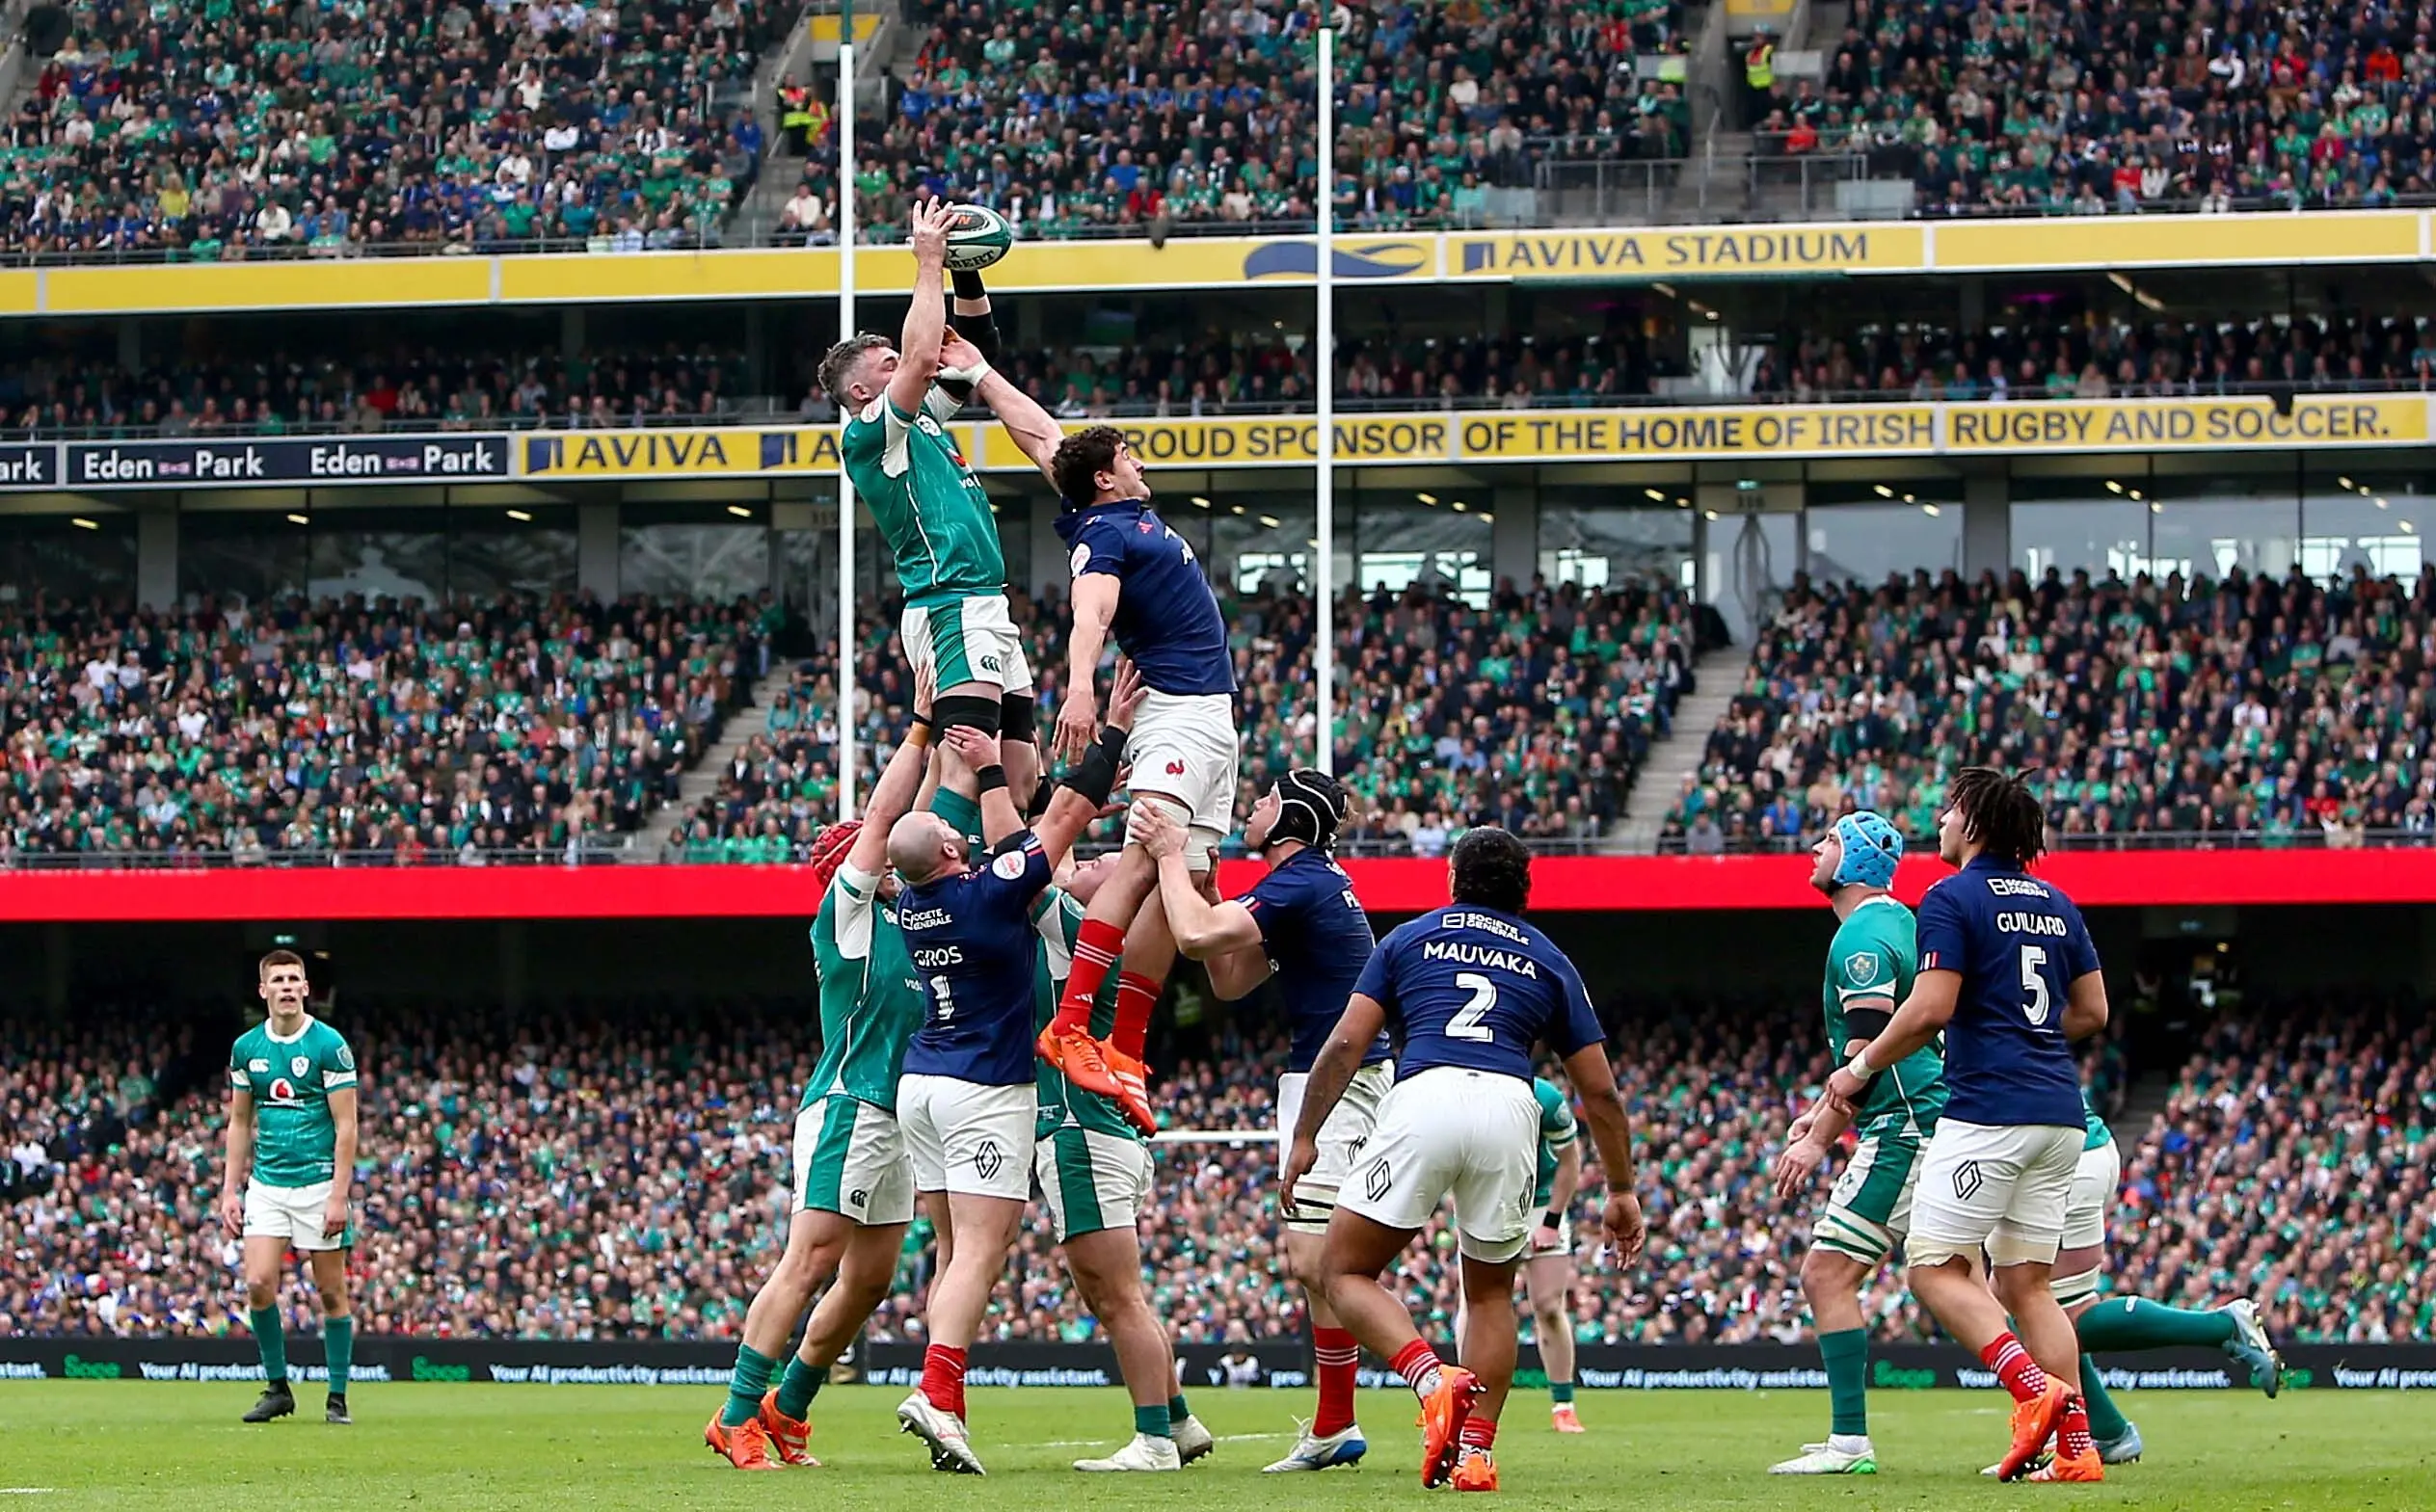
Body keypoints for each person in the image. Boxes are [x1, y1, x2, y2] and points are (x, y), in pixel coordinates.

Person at [1283, 827, 1646, 1492]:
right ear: (1524, 891)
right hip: (1510, 1105)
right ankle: (1475, 1453)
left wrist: (1306, 1135)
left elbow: (1345, 1044)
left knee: (1341, 1269)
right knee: (1490, 1293)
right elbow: (1600, 1091)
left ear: (1452, 879)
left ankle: (1431, 1379)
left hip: (1425, 1094)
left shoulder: (1409, 938)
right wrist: (1621, 1189)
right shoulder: (1549, 957)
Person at [1814, 768, 2110, 1482]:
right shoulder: (2057, 902)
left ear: (1974, 824)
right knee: (2028, 1286)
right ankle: (2077, 1450)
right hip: (2060, 1114)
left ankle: (2035, 1391)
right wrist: (2027, 1034)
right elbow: (2092, 1012)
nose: (1940, 822)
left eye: (1949, 811)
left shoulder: (1951, 897)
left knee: (1932, 1267)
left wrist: (1857, 1069)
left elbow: (1928, 1010)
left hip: (1988, 1112)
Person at [886, 666, 1142, 1474]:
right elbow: (1057, 822)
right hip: (983, 1086)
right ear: (951, 850)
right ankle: (938, 1393)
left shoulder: (911, 901)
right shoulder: (988, 894)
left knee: (952, 1249)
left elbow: (1003, 832)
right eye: (950, 828)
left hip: (921, 1082)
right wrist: (1108, 735)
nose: (958, 827)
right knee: (980, 1250)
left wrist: (978, 758)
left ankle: (945, 1401)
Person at [705, 684, 937, 1470]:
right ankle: (736, 1413)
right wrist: (919, 731)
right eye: (879, 855)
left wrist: (951, 750)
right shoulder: (847, 916)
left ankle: (788, 1406)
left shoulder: (909, 921)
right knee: (809, 1260)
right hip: (849, 1104)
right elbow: (886, 820)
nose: (893, 860)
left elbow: (916, 821)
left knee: (869, 1279)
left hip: (897, 1118)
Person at [1135, 769, 1384, 1472]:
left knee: (1318, 1260)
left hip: (1336, 1083)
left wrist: (1168, 854)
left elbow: (1192, 938)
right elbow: (1229, 978)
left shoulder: (1299, 881)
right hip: (1331, 1080)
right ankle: (1336, 1423)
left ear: (1290, 822)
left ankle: (1425, 1378)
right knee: (1316, 1262)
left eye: (1268, 799)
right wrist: (1213, 893)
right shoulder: (1302, 885)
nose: (1254, 806)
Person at [819, 197, 1064, 810]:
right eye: (889, 365)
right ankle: (938, 866)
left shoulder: (922, 417)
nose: (906, 365)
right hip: (948, 603)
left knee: (1021, 773)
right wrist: (928, 262)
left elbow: (974, 348)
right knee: (964, 763)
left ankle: (1008, 857)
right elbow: (925, 356)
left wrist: (964, 270)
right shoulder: (870, 434)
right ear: (862, 390)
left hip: (985, 602)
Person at [1035, 424, 1240, 1137]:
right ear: (1103, 476)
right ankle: (1070, 1024)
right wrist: (1079, 688)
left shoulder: (1122, 514)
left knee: (1182, 876)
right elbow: (1090, 612)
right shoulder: (1103, 534)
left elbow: (1041, 435)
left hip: (1210, 717)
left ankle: (1125, 1046)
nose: (1139, 461)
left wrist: (982, 374)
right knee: (1141, 859)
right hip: (1173, 711)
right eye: (1127, 454)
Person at [1768, 811, 1946, 1475]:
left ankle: (1849, 1442)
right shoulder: (1899, 922)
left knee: (1825, 1273)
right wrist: (1819, 1112)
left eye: (1832, 841)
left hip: (1903, 1124)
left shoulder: (1862, 936)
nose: (1815, 849)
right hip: (1929, 1115)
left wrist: (1818, 1137)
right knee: (1983, 1287)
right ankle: (2078, 1419)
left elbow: (1866, 1053)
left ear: (1858, 861)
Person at [1986, 1081, 2283, 1475]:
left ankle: (2222, 1328)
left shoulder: (1934, 1046)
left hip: (2054, 1157)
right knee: (2038, 1304)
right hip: (2073, 1146)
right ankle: (2106, 1432)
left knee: (2033, 1306)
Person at [1029, 855, 1215, 1472]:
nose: (1084, 862)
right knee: (1119, 1296)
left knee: (1117, 1301)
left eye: (1100, 862)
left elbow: (1026, 864)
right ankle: (1178, 1419)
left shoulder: (1081, 932)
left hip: (1081, 1131)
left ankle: (1154, 1440)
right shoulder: (1109, 948)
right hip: (1108, 1134)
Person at [221, 950, 360, 1426]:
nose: (285, 986)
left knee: (330, 1292)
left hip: (318, 1184)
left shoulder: (329, 1045)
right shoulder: (247, 1048)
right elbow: (240, 1122)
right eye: (277, 979)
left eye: (293, 979)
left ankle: (336, 1396)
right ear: (263, 991)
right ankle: (278, 1388)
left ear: (305, 988)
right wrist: (229, 1190)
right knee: (258, 1283)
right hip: (268, 1185)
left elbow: (347, 1126)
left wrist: (338, 1194)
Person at [1453, 1073, 1585, 1434]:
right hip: (1491, 1204)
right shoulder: (1469, 1096)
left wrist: (1552, 1221)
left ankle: (1563, 1405)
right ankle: (1467, 1403)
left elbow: (1570, 1161)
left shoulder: (1546, 1099)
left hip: (1541, 1206)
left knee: (1549, 1306)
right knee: (1474, 1304)